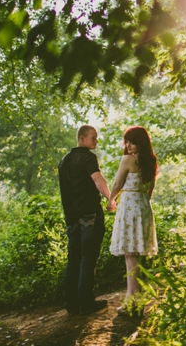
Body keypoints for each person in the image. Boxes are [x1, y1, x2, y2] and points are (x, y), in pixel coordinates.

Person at [58, 125, 116, 316]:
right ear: (82, 139)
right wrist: (110, 198)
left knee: (73, 259)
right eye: (93, 137)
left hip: (71, 217)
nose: (96, 140)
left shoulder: (63, 161)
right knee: (87, 259)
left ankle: (71, 303)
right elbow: (98, 179)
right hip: (89, 215)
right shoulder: (88, 157)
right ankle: (86, 303)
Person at [107, 125, 158, 315]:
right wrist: (143, 202)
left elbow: (118, 183)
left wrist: (111, 199)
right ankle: (130, 301)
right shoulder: (151, 161)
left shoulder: (128, 160)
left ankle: (138, 301)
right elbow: (150, 190)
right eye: (126, 142)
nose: (127, 145)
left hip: (129, 207)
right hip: (143, 206)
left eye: (131, 141)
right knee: (132, 256)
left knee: (131, 256)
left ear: (140, 142)